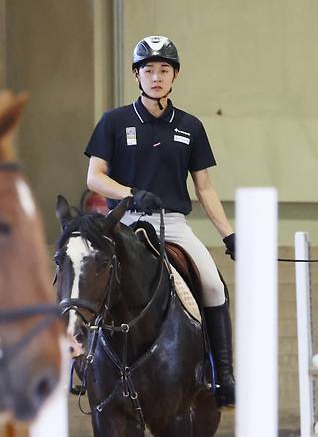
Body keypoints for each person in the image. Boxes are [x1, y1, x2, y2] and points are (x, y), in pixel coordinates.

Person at [84, 35, 236, 408]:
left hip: (173, 224)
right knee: (88, 279)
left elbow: (205, 188)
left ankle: (224, 377)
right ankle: (84, 366)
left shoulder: (191, 126)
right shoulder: (114, 121)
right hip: (125, 219)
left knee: (214, 287)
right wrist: (129, 193)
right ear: (137, 75)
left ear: (175, 76)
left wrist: (230, 235)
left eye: (164, 70)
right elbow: (94, 177)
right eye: (148, 70)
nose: (156, 77)